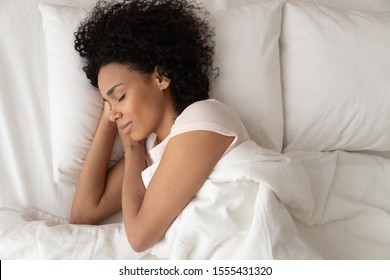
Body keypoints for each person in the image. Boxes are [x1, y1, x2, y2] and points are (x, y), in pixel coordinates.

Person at [70, 0, 249, 253]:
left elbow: (140, 237)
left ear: (160, 77)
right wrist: (113, 112)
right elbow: (83, 214)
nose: (113, 114)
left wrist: (132, 151)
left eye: (120, 95)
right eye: (106, 104)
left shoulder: (203, 118)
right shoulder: (152, 149)